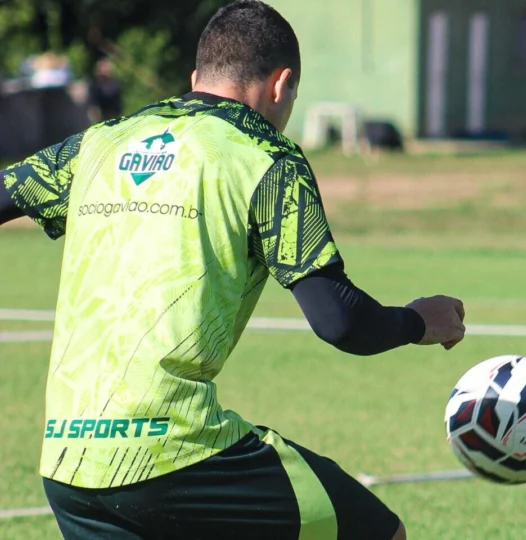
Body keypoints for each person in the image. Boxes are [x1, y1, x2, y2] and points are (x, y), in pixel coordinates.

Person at [0, 1, 466, 538]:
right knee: (378, 532)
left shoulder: (101, 142)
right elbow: (340, 322)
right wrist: (418, 321)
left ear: (197, 77)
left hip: (67, 459)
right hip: (172, 453)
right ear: (281, 84)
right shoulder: (265, 157)